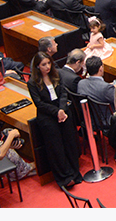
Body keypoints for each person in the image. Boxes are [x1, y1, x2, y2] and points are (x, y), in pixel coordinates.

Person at [27, 51, 82, 187]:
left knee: (70, 142)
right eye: (44, 64)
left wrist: (62, 109)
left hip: (62, 110)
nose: (47, 67)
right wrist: (57, 112)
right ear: (37, 66)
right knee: (56, 147)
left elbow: (64, 92)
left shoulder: (57, 74)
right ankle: (64, 177)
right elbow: (39, 103)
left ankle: (75, 173)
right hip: (47, 116)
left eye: (49, 63)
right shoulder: (33, 83)